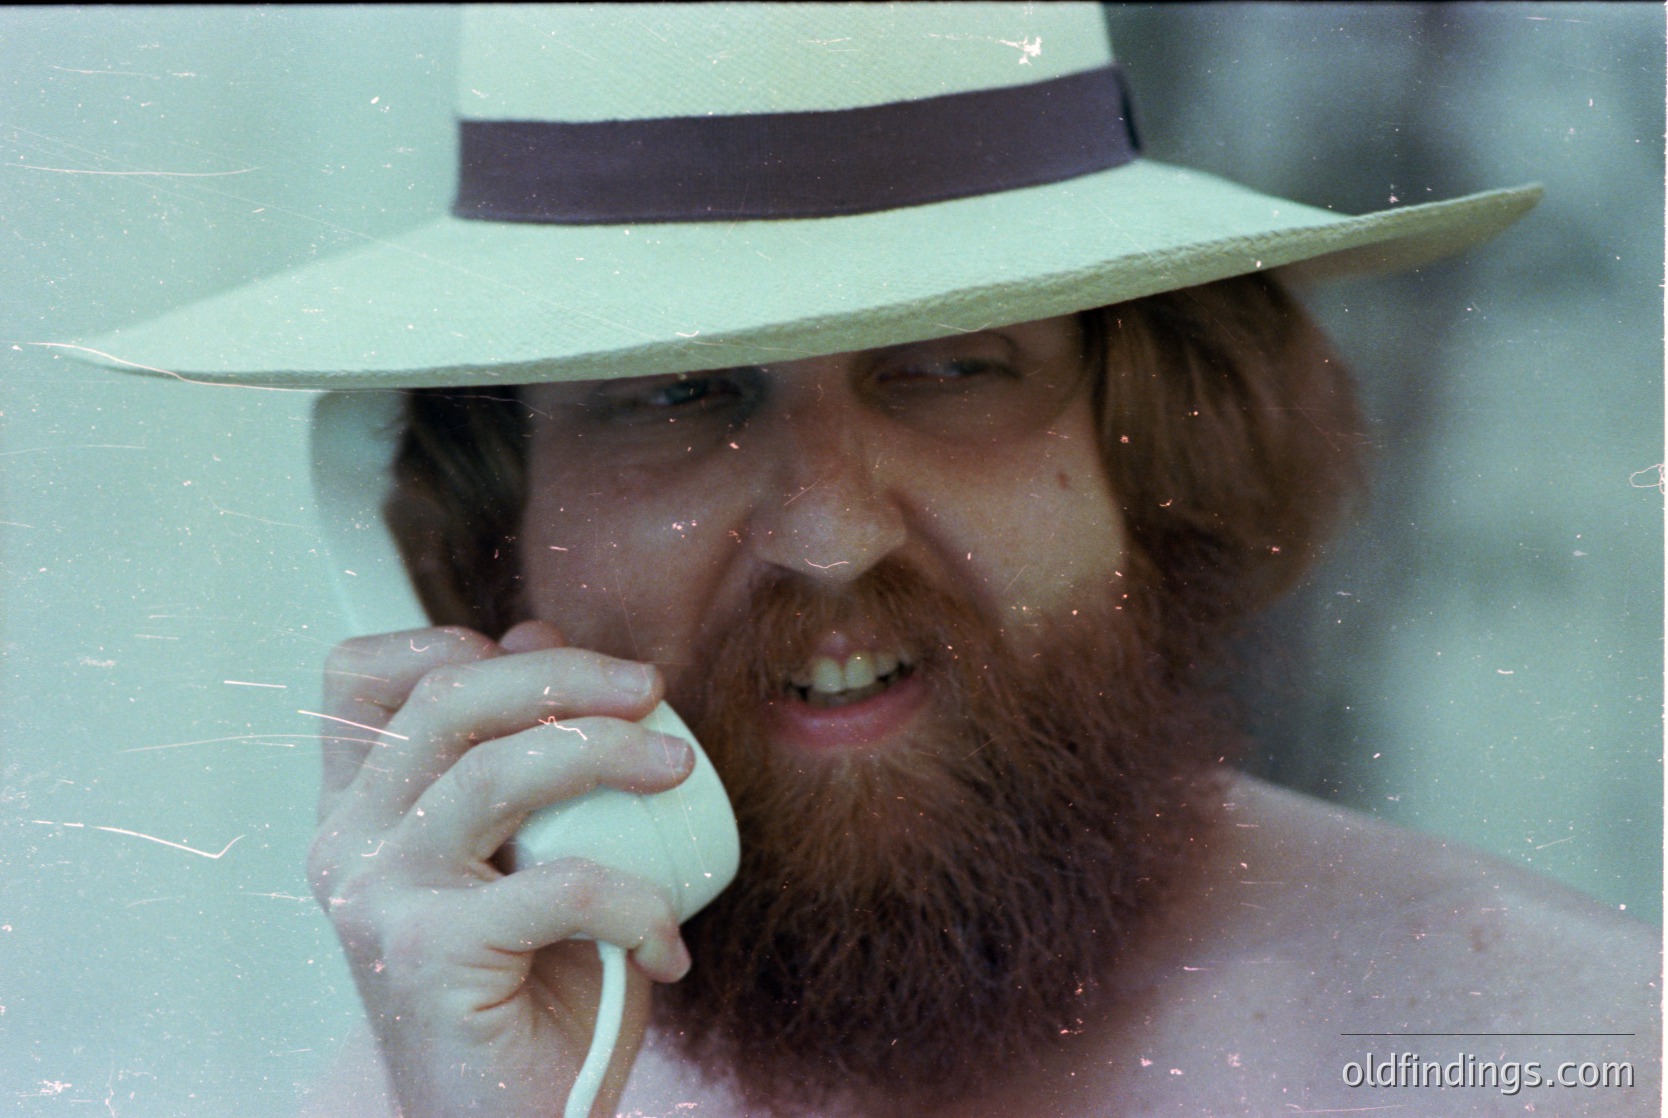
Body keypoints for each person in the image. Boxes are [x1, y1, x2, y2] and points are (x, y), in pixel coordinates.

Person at [67, 5, 1657, 1115]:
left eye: (955, 367)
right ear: (481, 529)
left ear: (1152, 440)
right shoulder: (446, 1067)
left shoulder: (1560, 1056)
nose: (829, 531)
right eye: (675, 395)